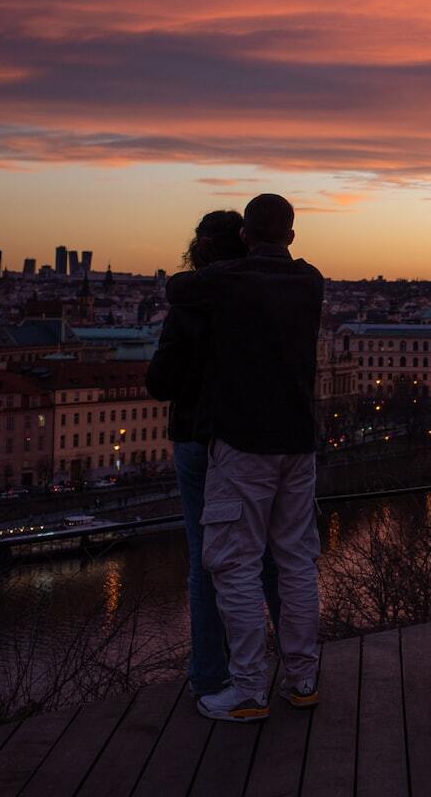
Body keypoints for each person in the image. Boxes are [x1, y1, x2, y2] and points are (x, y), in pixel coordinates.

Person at [172, 193, 327, 722]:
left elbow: (178, 287)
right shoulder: (311, 281)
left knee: (233, 563)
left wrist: (232, 263)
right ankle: (303, 678)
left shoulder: (230, 280)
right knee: (295, 561)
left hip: (243, 443)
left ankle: (248, 689)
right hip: (298, 442)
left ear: (244, 236)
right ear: (291, 234)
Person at [145, 210, 280, 697]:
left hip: (198, 442)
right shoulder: (261, 300)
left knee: (207, 561)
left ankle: (208, 672)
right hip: (251, 438)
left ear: (199, 249)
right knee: (267, 553)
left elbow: (160, 383)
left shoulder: (189, 304)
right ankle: (293, 661)